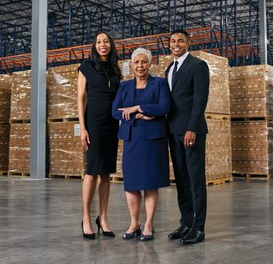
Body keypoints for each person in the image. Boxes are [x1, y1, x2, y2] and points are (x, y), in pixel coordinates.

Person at [112, 47, 170, 241]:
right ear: (131, 64)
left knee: (151, 184)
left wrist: (137, 107)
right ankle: (134, 223)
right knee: (132, 184)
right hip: (131, 138)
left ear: (150, 63)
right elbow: (115, 111)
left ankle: (149, 225)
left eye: (144, 61)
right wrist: (139, 114)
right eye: (136, 62)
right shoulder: (124, 86)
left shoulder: (160, 83)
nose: (140, 66)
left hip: (153, 140)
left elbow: (164, 106)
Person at [165, 29, 210, 245]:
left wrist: (192, 128)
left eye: (180, 41)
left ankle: (198, 227)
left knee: (195, 180)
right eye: (173, 41)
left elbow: (200, 100)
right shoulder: (169, 68)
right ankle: (185, 223)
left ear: (188, 43)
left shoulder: (198, 66)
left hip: (191, 132)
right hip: (173, 131)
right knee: (181, 179)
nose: (176, 44)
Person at [77, 32, 122, 239]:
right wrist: (83, 127)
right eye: (98, 42)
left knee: (106, 173)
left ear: (110, 45)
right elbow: (80, 98)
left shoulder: (115, 69)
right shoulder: (86, 66)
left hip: (111, 124)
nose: (102, 45)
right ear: (94, 46)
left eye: (106, 41)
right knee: (92, 172)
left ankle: (102, 218)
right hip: (94, 123)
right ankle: (86, 218)